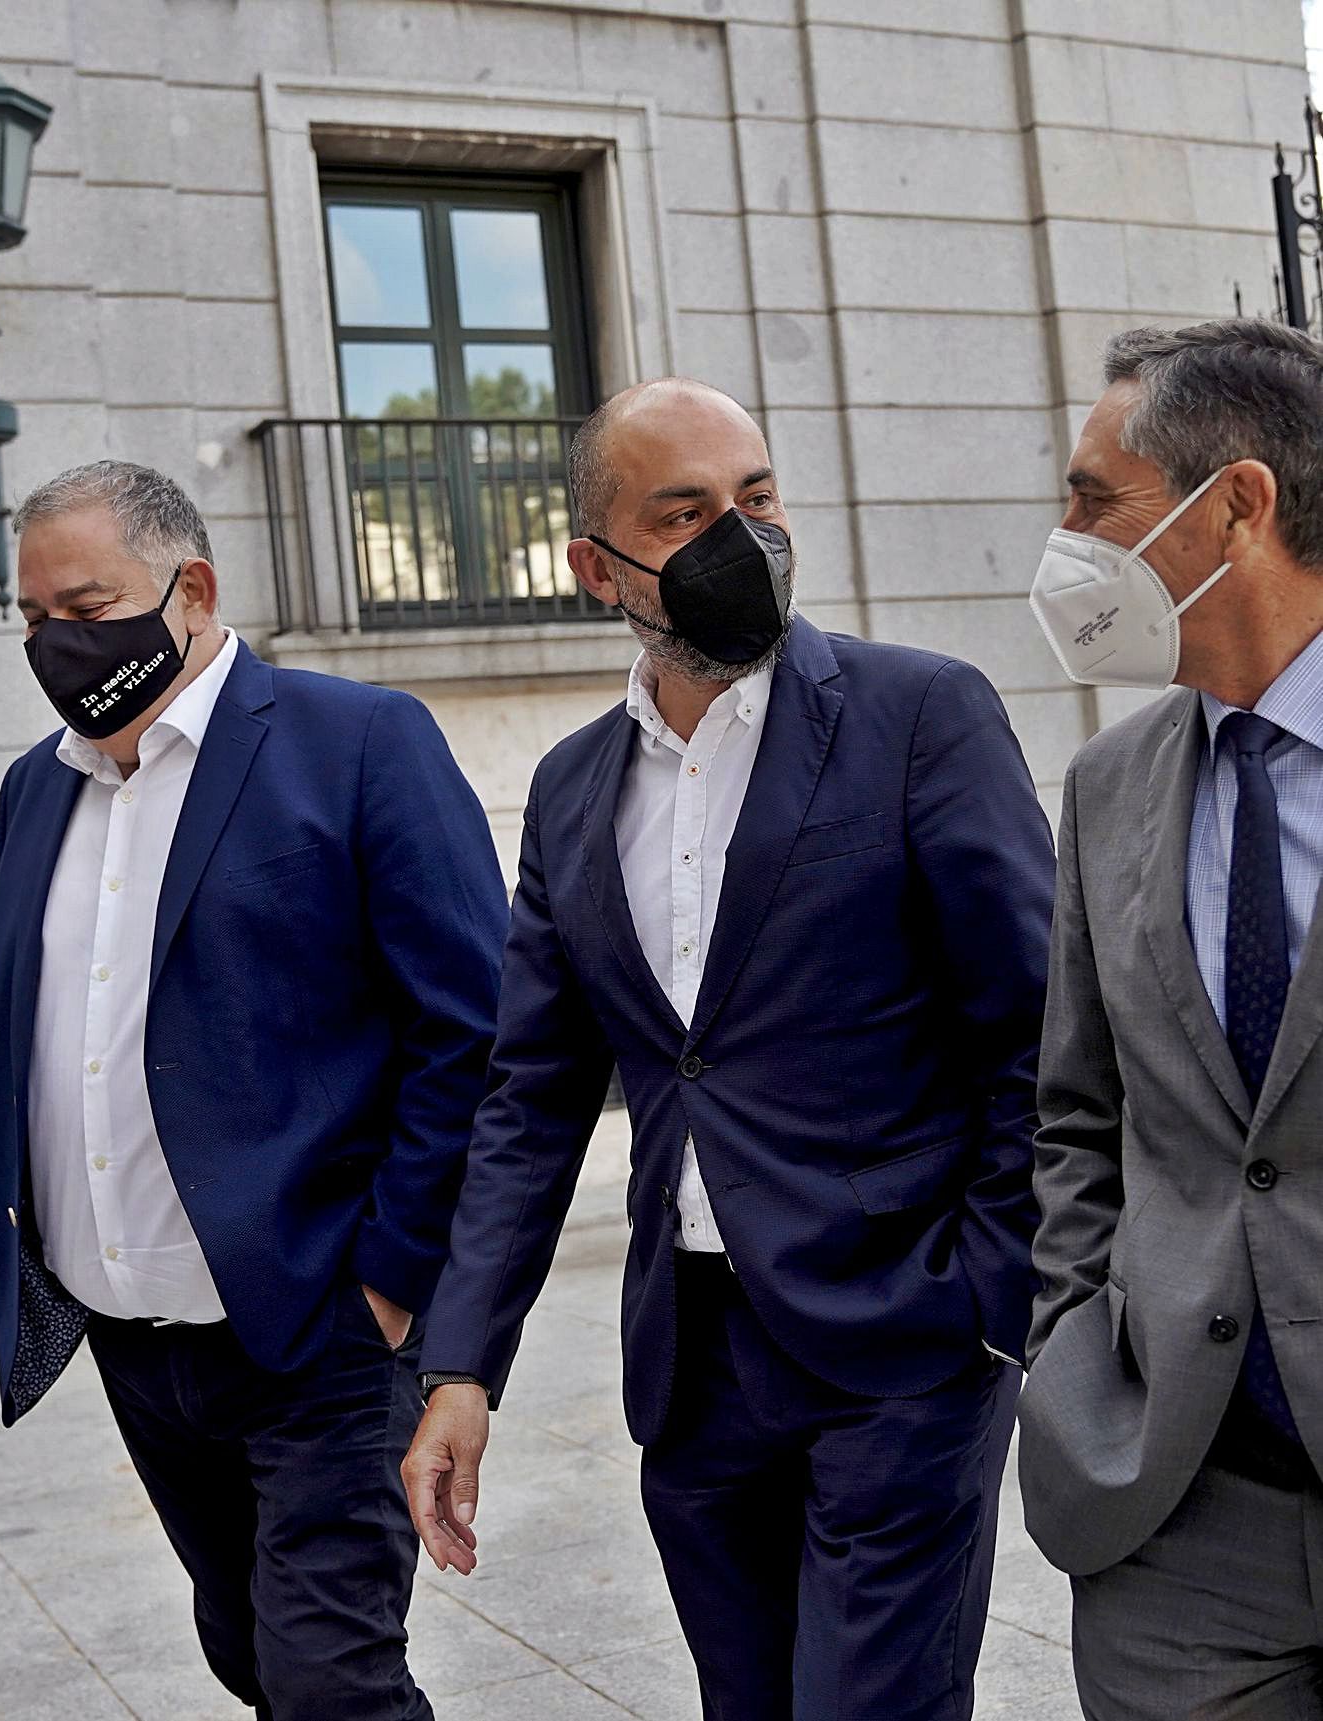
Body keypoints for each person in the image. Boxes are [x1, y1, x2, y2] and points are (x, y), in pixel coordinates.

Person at [402, 378, 1056, 1719]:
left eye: (755, 499)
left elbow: (1036, 1026)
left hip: (902, 1345)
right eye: (686, 510)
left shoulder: (919, 715)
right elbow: (529, 1100)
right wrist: (461, 1365)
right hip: (695, 1371)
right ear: (596, 566)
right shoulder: (574, 790)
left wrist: (987, 1296)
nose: (737, 536)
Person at [0, 461, 509, 1720]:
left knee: (331, 1681)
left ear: (192, 589)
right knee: (254, 1656)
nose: (58, 640)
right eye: (32, 616)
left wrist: (387, 1283)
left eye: (86, 604)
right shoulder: (31, 788)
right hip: (136, 1343)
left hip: (321, 1330)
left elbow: (473, 1032)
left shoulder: (359, 742)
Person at [1020, 319, 1323, 1719]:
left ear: (1237, 507)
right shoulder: (1108, 783)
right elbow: (1077, 1108)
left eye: (1094, 499)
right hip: (1183, 1524)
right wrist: (1072, 1338)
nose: (1065, 539)